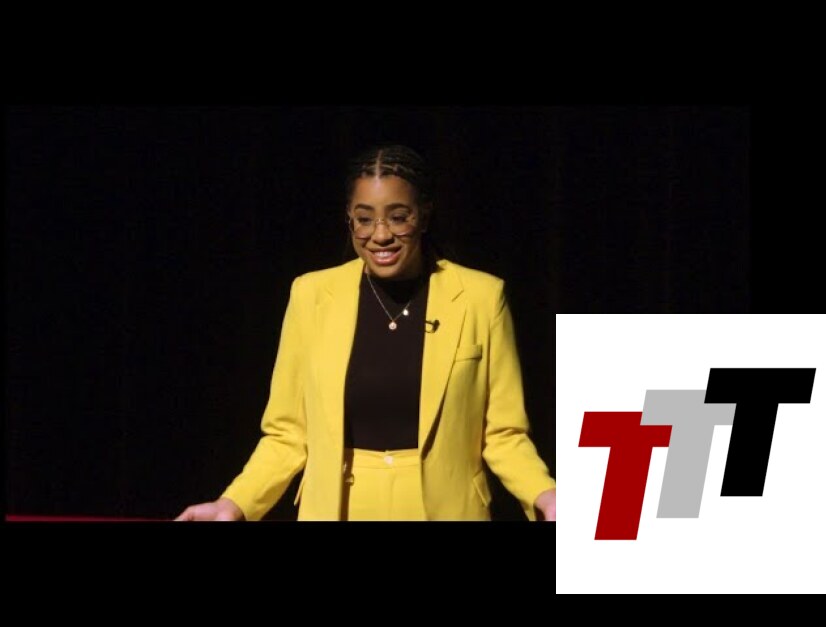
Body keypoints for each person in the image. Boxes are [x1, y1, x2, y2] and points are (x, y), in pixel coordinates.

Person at [175, 144, 556, 521]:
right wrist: (233, 503)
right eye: (364, 219)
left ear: (424, 215)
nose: (381, 234)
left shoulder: (481, 297)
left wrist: (547, 495)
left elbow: (503, 434)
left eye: (398, 217)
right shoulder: (311, 296)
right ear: (349, 220)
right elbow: (287, 435)